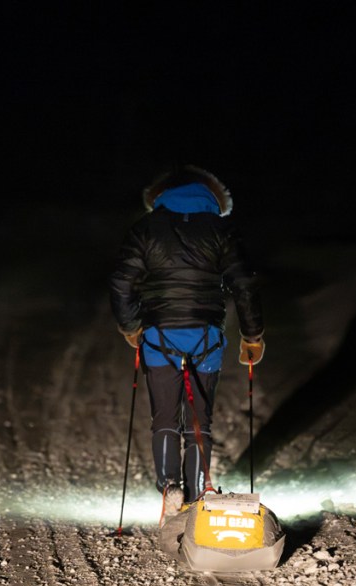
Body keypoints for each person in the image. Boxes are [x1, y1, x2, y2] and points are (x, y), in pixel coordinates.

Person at [109, 165, 265, 520]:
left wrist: (131, 325)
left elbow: (121, 282)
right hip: (205, 336)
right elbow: (244, 284)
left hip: (158, 334)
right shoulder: (221, 230)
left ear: (160, 196)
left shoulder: (145, 229)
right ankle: (196, 498)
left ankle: (169, 487)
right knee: (200, 422)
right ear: (213, 197)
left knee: (164, 418)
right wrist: (252, 334)